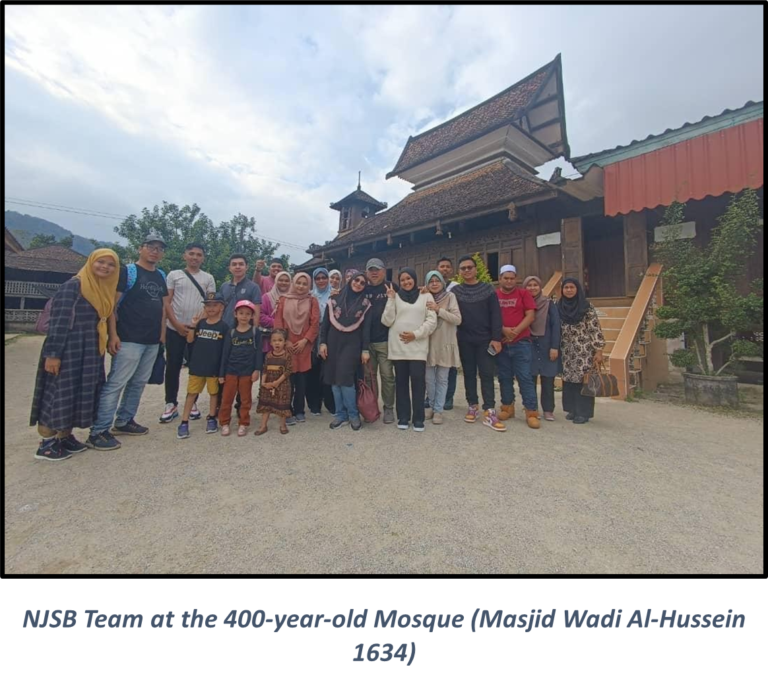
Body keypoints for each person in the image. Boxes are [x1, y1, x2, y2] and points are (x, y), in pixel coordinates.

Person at [30, 248, 120, 460]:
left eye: (111, 264)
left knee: (78, 392)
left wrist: (112, 336)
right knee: (59, 391)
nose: (105, 267)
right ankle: (47, 443)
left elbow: (107, 316)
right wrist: (53, 354)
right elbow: (59, 321)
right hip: (68, 348)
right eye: (101, 262)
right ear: (91, 262)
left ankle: (64, 436)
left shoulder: (103, 289)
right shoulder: (74, 286)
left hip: (89, 350)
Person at [87, 231, 169, 450]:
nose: (155, 251)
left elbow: (163, 306)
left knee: (138, 382)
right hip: (129, 338)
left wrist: (162, 334)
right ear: (140, 248)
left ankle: (124, 420)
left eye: (159, 248)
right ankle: (98, 430)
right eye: (150, 247)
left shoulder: (160, 275)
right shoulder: (128, 272)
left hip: (152, 339)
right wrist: (113, 335)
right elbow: (113, 306)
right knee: (117, 382)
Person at [160, 243, 216, 424]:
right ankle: (170, 403)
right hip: (174, 328)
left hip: (198, 330)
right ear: (184, 255)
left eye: (199, 254)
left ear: (203, 258)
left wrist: (194, 326)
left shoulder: (208, 278)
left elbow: (210, 305)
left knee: (196, 368)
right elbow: (167, 302)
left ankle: (192, 402)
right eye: (191, 253)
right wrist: (176, 324)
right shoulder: (174, 275)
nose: (195, 257)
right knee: (173, 366)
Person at [452, 254, 505, 432]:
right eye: (463, 268)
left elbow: (496, 315)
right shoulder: (456, 292)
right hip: (464, 339)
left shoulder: (488, 289)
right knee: (468, 374)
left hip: (485, 340)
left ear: (475, 269)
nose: (467, 270)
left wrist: (496, 338)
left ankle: (489, 410)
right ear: (459, 272)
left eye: (470, 267)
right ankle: (472, 405)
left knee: (487, 374)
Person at [381, 268, 437, 431]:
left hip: (418, 347)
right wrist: (391, 299)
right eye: (403, 280)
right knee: (401, 383)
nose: (406, 282)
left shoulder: (426, 295)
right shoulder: (395, 296)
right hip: (399, 347)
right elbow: (386, 321)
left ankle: (418, 418)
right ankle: (403, 417)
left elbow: (431, 321)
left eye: (409, 278)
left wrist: (415, 334)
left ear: (414, 278)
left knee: (418, 383)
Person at [318, 271, 372, 430]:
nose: (358, 284)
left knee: (346, 380)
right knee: (334, 380)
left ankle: (353, 415)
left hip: (352, 344)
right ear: (350, 281)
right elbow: (325, 325)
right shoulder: (334, 299)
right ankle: (340, 415)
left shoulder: (366, 304)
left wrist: (365, 349)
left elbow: (366, 330)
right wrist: (322, 343)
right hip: (333, 342)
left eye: (362, 283)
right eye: (356, 280)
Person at [176, 293, 228, 439]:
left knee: (213, 393)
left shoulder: (224, 327)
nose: (211, 308)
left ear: (221, 307)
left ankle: (211, 417)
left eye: (214, 305)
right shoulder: (200, 324)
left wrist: (222, 371)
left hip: (213, 367)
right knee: (191, 393)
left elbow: (224, 351)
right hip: (197, 366)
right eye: (208, 305)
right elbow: (190, 341)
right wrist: (193, 325)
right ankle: (184, 421)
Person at [496, 264, 540, 430]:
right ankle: (507, 407)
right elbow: (491, 316)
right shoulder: (494, 295)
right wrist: (504, 330)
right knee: (504, 377)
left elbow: (530, 315)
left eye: (512, 278)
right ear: (500, 279)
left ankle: (531, 412)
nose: (509, 281)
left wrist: (515, 332)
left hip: (521, 342)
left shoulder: (523, 294)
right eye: (506, 278)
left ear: (516, 279)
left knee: (524, 377)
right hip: (502, 343)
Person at [274, 272, 320, 425]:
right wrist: (284, 341)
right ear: (293, 283)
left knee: (301, 381)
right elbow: (278, 322)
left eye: (305, 284)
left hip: (303, 347)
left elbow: (315, 323)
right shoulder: (283, 300)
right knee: (287, 380)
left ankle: (299, 410)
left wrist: (305, 341)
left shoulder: (312, 301)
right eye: (298, 283)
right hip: (286, 345)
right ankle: (287, 410)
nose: (301, 286)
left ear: (309, 286)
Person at [558, 278, 606, 424]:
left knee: (584, 381)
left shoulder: (586, 307)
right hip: (567, 350)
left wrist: (598, 350)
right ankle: (572, 410)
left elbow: (594, 328)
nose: (569, 290)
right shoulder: (559, 306)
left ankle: (583, 413)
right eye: (566, 287)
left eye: (572, 287)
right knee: (569, 381)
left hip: (584, 350)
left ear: (577, 289)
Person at [218, 300, 263, 436]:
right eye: (241, 313)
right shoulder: (231, 332)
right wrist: (221, 374)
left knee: (245, 399)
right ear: (235, 314)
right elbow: (225, 354)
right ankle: (224, 422)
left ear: (252, 316)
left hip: (247, 371)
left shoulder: (255, 332)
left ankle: (243, 423)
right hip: (231, 371)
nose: (244, 316)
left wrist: (257, 370)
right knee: (227, 398)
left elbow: (258, 353)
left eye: (248, 314)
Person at [423, 270, 461, 425]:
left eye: (437, 280)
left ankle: (438, 410)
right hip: (428, 344)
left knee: (442, 379)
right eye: (431, 281)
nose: (434, 284)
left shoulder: (450, 297)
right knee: (429, 379)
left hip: (445, 343)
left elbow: (457, 319)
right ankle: (432, 406)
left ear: (442, 282)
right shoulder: (424, 297)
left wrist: (438, 310)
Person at [363, 258, 397, 424]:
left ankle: (389, 407)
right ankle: (372, 407)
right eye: (371, 270)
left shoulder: (391, 287)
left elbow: (408, 299)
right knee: (369, 377)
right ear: (366, 273)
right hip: (366, 342)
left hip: (385, 341)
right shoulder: (362, 287)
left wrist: (424, 293)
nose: (374, 273)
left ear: (384, 271)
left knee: (387, 376)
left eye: (377, 269)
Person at [524, 275, 561, 421]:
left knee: (548, 379)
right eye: (529, 285)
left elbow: (556, 325)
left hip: (547, 345)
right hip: (529, 344)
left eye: (535, 285)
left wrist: (554, 347)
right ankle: (532, 408)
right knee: (530, 379)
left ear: (540, 287)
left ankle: (548, 410)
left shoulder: (548, 303)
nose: (532, 288)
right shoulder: (523, 303)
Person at [306, 267, 336, 416]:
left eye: (324, 277)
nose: (321, 281)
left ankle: (330, 403)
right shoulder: (309, 296)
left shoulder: (335, 294)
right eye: (318, 278)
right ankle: (314, 404)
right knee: (313, 369)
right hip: (312, 335)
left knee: (328, 369)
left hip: (330, 335)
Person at [255, 329, 293, 435]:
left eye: (280, 340)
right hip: (268, 384)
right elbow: (265, 370)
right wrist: (263, 383)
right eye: (274, 340)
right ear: (270, 342)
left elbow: (288, 371)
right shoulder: (268, 355)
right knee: (266, 405)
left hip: (282, 384)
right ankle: (263, 426)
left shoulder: (287, 356)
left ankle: (283, 425)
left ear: (284, 342)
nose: (277, 343)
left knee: (282, 406)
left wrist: (277, 382)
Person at [221, 253, 262, 328]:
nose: (237, 267)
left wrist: (254, 331)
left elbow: (256, 313)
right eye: (234, 264)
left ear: (246, 267)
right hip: (224, 328)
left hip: (244, 330)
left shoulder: (254, 287)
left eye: (241, 264)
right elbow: (220, 309)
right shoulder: (224, 286)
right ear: (229, 268)